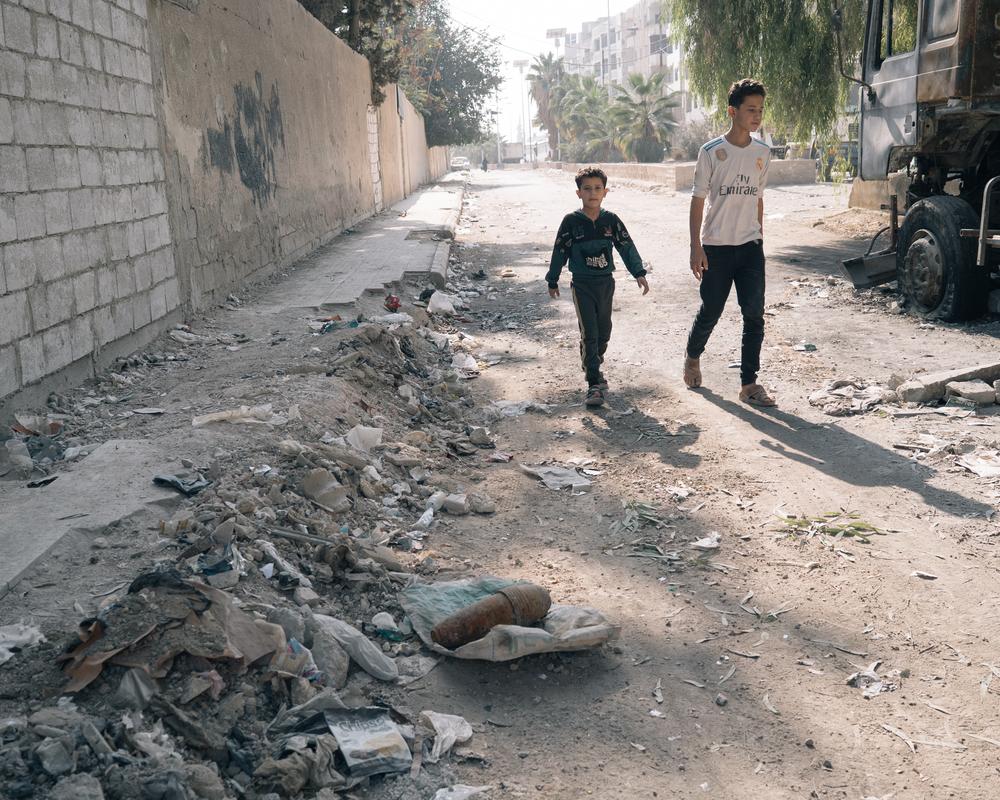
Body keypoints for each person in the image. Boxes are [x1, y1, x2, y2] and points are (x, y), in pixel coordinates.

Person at [683, 78, 775, 407]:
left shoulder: (763, 152)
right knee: (712, 309)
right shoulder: (710, 152)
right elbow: (697, 200)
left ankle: (749, 384)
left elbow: (759, 199)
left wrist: (759, 236)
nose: (757, 115)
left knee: (754, 315)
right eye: (751, 109)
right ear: (732, 111)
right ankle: (693, 356)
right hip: (716, 248)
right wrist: (696, 247)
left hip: (750, 247)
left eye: (761, 110)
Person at [546, 166, 650, 407]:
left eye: (597, 188)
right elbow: (560, 250)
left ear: (605, 192)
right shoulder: (571, 222)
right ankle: (593, 383)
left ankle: (592, 360)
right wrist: (552, 279)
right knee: (590, 333)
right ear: (578, 193)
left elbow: (626, 245)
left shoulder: (610, 220)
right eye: (587, 188)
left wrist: (638, 272)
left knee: (604, 332)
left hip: (605, 284)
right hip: (582, 284)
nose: (592, 193)